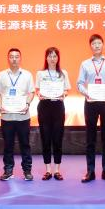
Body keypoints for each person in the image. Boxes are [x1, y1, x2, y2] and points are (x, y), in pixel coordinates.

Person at [76, 34, 105, 183]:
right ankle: (90, 171)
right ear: (90, 46)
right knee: (90, 138)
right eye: (94, 43)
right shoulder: (85, 64)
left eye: (99, 43)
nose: (96, 46)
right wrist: (88, 93)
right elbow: (79, 84)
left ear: (103, 45)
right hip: (91, 103)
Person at [0, 48, 35, 181]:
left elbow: (31, 92)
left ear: (20, 58)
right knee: (8, 145)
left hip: (23, 116)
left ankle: (27, 170)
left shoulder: (27, 75)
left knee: (25, 144)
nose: (14, 59)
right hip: (7, 116)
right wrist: (0, 105)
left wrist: (27, 104)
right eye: (11, 57)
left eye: (17, 56)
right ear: (8, 59)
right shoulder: (1, 75)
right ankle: (8, 170)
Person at [35, 47, 71, 181]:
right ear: (46, 58)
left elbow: (67, 90)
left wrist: (63, 95)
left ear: (58, 58)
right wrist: (39, 94)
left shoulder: (63, 73)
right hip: (44, 107)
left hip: (58, 107)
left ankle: (57, 170)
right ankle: (48, 170)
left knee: (57, 139)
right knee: (45, 139)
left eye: (55, 56)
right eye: (50, 56)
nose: (52, 58)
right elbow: (37, 90)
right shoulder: (40, 74)